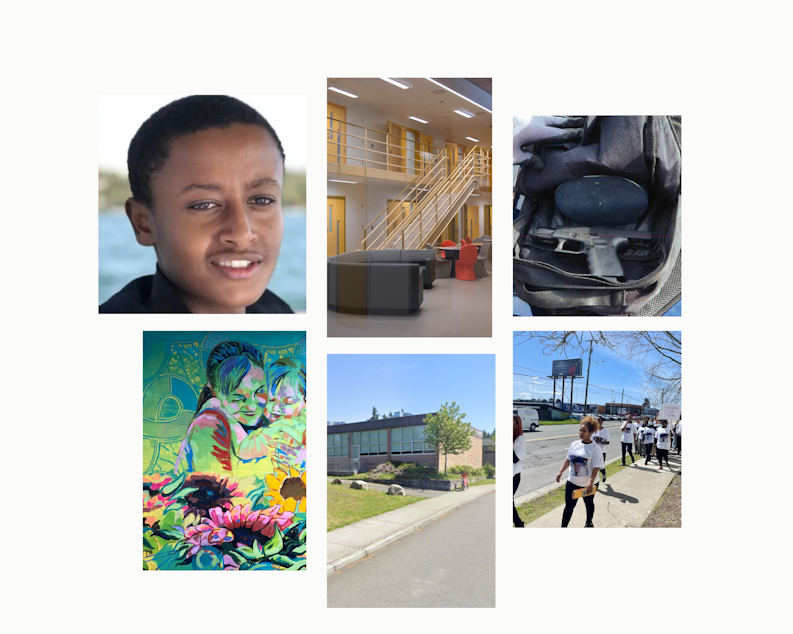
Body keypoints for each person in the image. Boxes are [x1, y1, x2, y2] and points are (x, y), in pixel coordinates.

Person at [100, 95, 293, 314]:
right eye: (204, 205)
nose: (242, 233)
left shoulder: (275, 311)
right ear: (143, 223)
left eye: (262, 200)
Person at [175, 341, 269, 475]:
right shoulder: (208, 425)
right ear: (214, 392)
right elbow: (215, 491)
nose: (252, 406)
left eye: (260, 391)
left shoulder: (261, 421)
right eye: (238, 398)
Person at [556, 416, 604, 528]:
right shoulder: (574, 444)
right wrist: (560, 472)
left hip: (587, 485)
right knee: (569, 507)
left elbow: (596, 467)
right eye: (580, 430)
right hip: (572, 483)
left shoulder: (595, 448)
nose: (580, 433)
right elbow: (568, 459)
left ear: (591, 432)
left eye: (584, 431)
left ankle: (589, 522)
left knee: (588, 503)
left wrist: (591, 482)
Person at [513, 415, 526, 527]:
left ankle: (518, 524)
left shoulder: (520, 439)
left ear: (516, 425)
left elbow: (515, 458)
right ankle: (518, 523)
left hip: (514, 475)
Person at [592, 416, 610, 482]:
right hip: (593, 452)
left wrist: (600, 441)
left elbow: (608, 442)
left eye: (599, 420)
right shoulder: (593, 430)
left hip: (602, 451)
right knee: (593, 466)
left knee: (600, 466)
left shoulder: (605, 431)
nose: (597, 421)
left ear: (602, 421)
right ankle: (594, 482)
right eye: (596, 420)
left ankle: (604, 473)